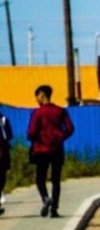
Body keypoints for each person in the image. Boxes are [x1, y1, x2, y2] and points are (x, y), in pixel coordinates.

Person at [26, 85, 75, 218]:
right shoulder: (60, 111)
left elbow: (31, 132)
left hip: (41, 150)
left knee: (40, 179)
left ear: (42, 96)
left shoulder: (37, 113)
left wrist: (35, 140)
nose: (37, 100)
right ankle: (54, 209)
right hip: (57, 149)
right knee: (56, 180)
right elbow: (70, 128)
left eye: (37, 97)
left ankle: (46, 198)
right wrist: (61, 137)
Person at [0, 105, 12, 216]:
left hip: (3, 149)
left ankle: (2, 191)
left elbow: (9, 134)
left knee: (3, 173)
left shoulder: (3, 119)